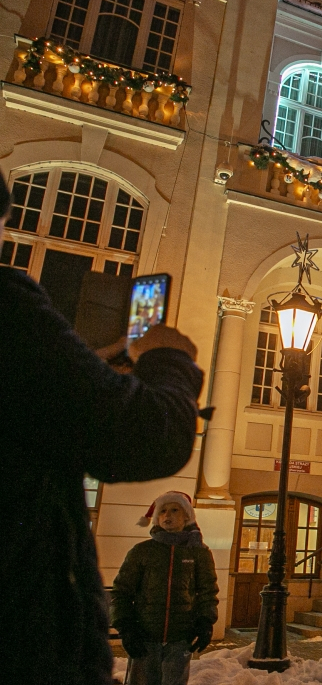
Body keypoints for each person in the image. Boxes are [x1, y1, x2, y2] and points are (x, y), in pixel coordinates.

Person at [0, 178, 205, 685]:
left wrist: (86, 365)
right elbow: (146, 437)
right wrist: (169, 358)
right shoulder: (8, 310)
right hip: (26, 641)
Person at [109, 492, 218, 685]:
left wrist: (205, 622)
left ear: (187, 516)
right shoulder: (142, 551)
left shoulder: (199, 552)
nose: (167, 515)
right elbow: (121, 592)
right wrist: (126, 628)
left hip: (180, 639)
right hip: (144, 638)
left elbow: (207, 592)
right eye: (163, 511)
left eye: (175, 510)